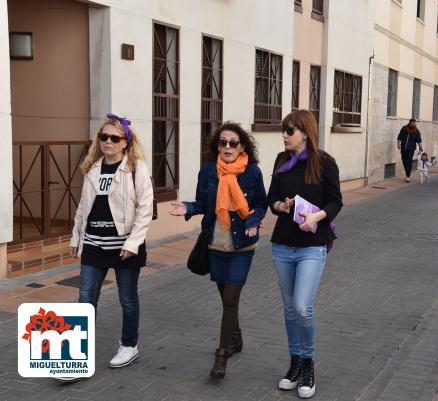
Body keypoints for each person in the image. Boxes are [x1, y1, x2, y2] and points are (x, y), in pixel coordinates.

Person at [169, 122, 267, 379]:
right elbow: (203, 202)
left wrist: (253, 221)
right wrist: (188, 208)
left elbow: (260, 203)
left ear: (242, 146)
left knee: (230, 299)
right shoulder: (209, 171)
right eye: (222, 142)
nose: (227, 147)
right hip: (215, 244)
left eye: (232, 143)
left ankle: (221, 355)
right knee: (225, 297)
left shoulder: (252, 172)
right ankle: (236, 338)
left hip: (242, 245)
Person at [69, 114, 154, 374]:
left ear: (125, 142)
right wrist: (76, 237)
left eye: (114, 138)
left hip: (124, 248)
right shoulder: (92, 167)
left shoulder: (136, 169)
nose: (108, 141)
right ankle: (76, 353)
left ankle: (129, 345)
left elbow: (145, 209)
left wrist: (133, 243)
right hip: (94, 244)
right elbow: (84, 206)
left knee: (127, 299)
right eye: (103, 137)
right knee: (85, 299)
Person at [268, 110, 343, 399]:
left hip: (312, 244)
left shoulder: (324, 162)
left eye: (290, 130)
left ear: (305, 132)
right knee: (289, 308)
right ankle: (295, 362)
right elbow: (270, 197)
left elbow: (336, 200)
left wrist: (318, 217)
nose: (284, 135)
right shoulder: (281, 160)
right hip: (283, 243)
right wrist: (280, 207)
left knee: (302, 306)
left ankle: (309, 363)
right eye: (284, 130)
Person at [397, 118, 423, 182]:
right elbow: (399, 137)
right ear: (410, 123)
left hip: (411, 149)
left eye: (414, 123)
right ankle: (407, 173)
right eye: (412, 123)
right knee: (404, 161)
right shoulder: (404, 128)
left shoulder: (416, 131)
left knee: (408, 162)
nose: (413, 124)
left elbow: (419, 140)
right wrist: (398, 144)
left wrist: (420, 149)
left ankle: (408, 176)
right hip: (403, 148)